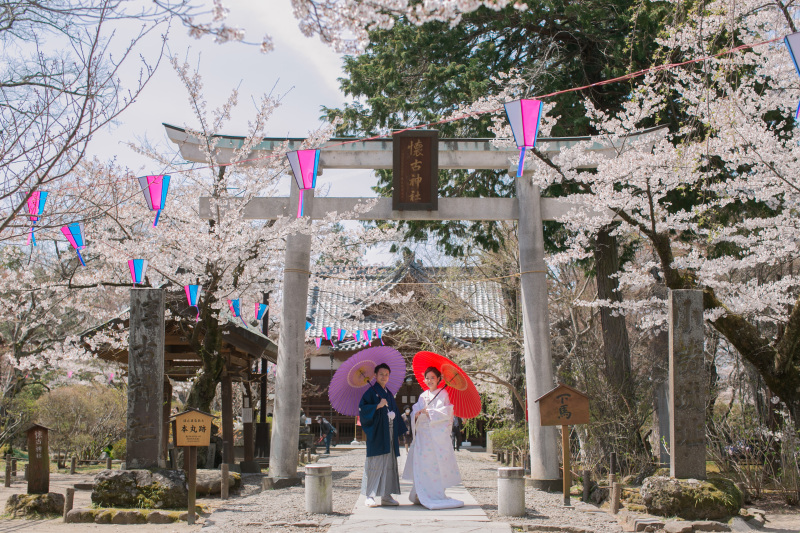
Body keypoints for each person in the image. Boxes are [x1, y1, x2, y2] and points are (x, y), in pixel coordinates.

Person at [402, 366, 464, 509]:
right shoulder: (423, 396)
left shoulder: (443, 394)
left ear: (438, 379)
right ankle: (421, 492)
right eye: (427, 378)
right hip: (423, 435)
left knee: (435, 464)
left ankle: (435, 493)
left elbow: (447, 413)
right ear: (424, 380)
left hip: (436, 436)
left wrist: (430, 412)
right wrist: (417, 413)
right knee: (422, 464)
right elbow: (414, 411)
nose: (430, 380)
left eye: (433, 378)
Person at [358, 363, 408, 507]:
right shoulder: (369, 393)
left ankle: (386, 495)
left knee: (389, 464)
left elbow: (395, 412)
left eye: (386, 374)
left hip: (389, 433)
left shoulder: (389, 393)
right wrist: (377, 406)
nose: (384, 377)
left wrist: (393, 416)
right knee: (375, 463)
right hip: (377, 433)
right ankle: (370, 495)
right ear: (375, 376)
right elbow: (363, 410)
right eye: (381, 374)